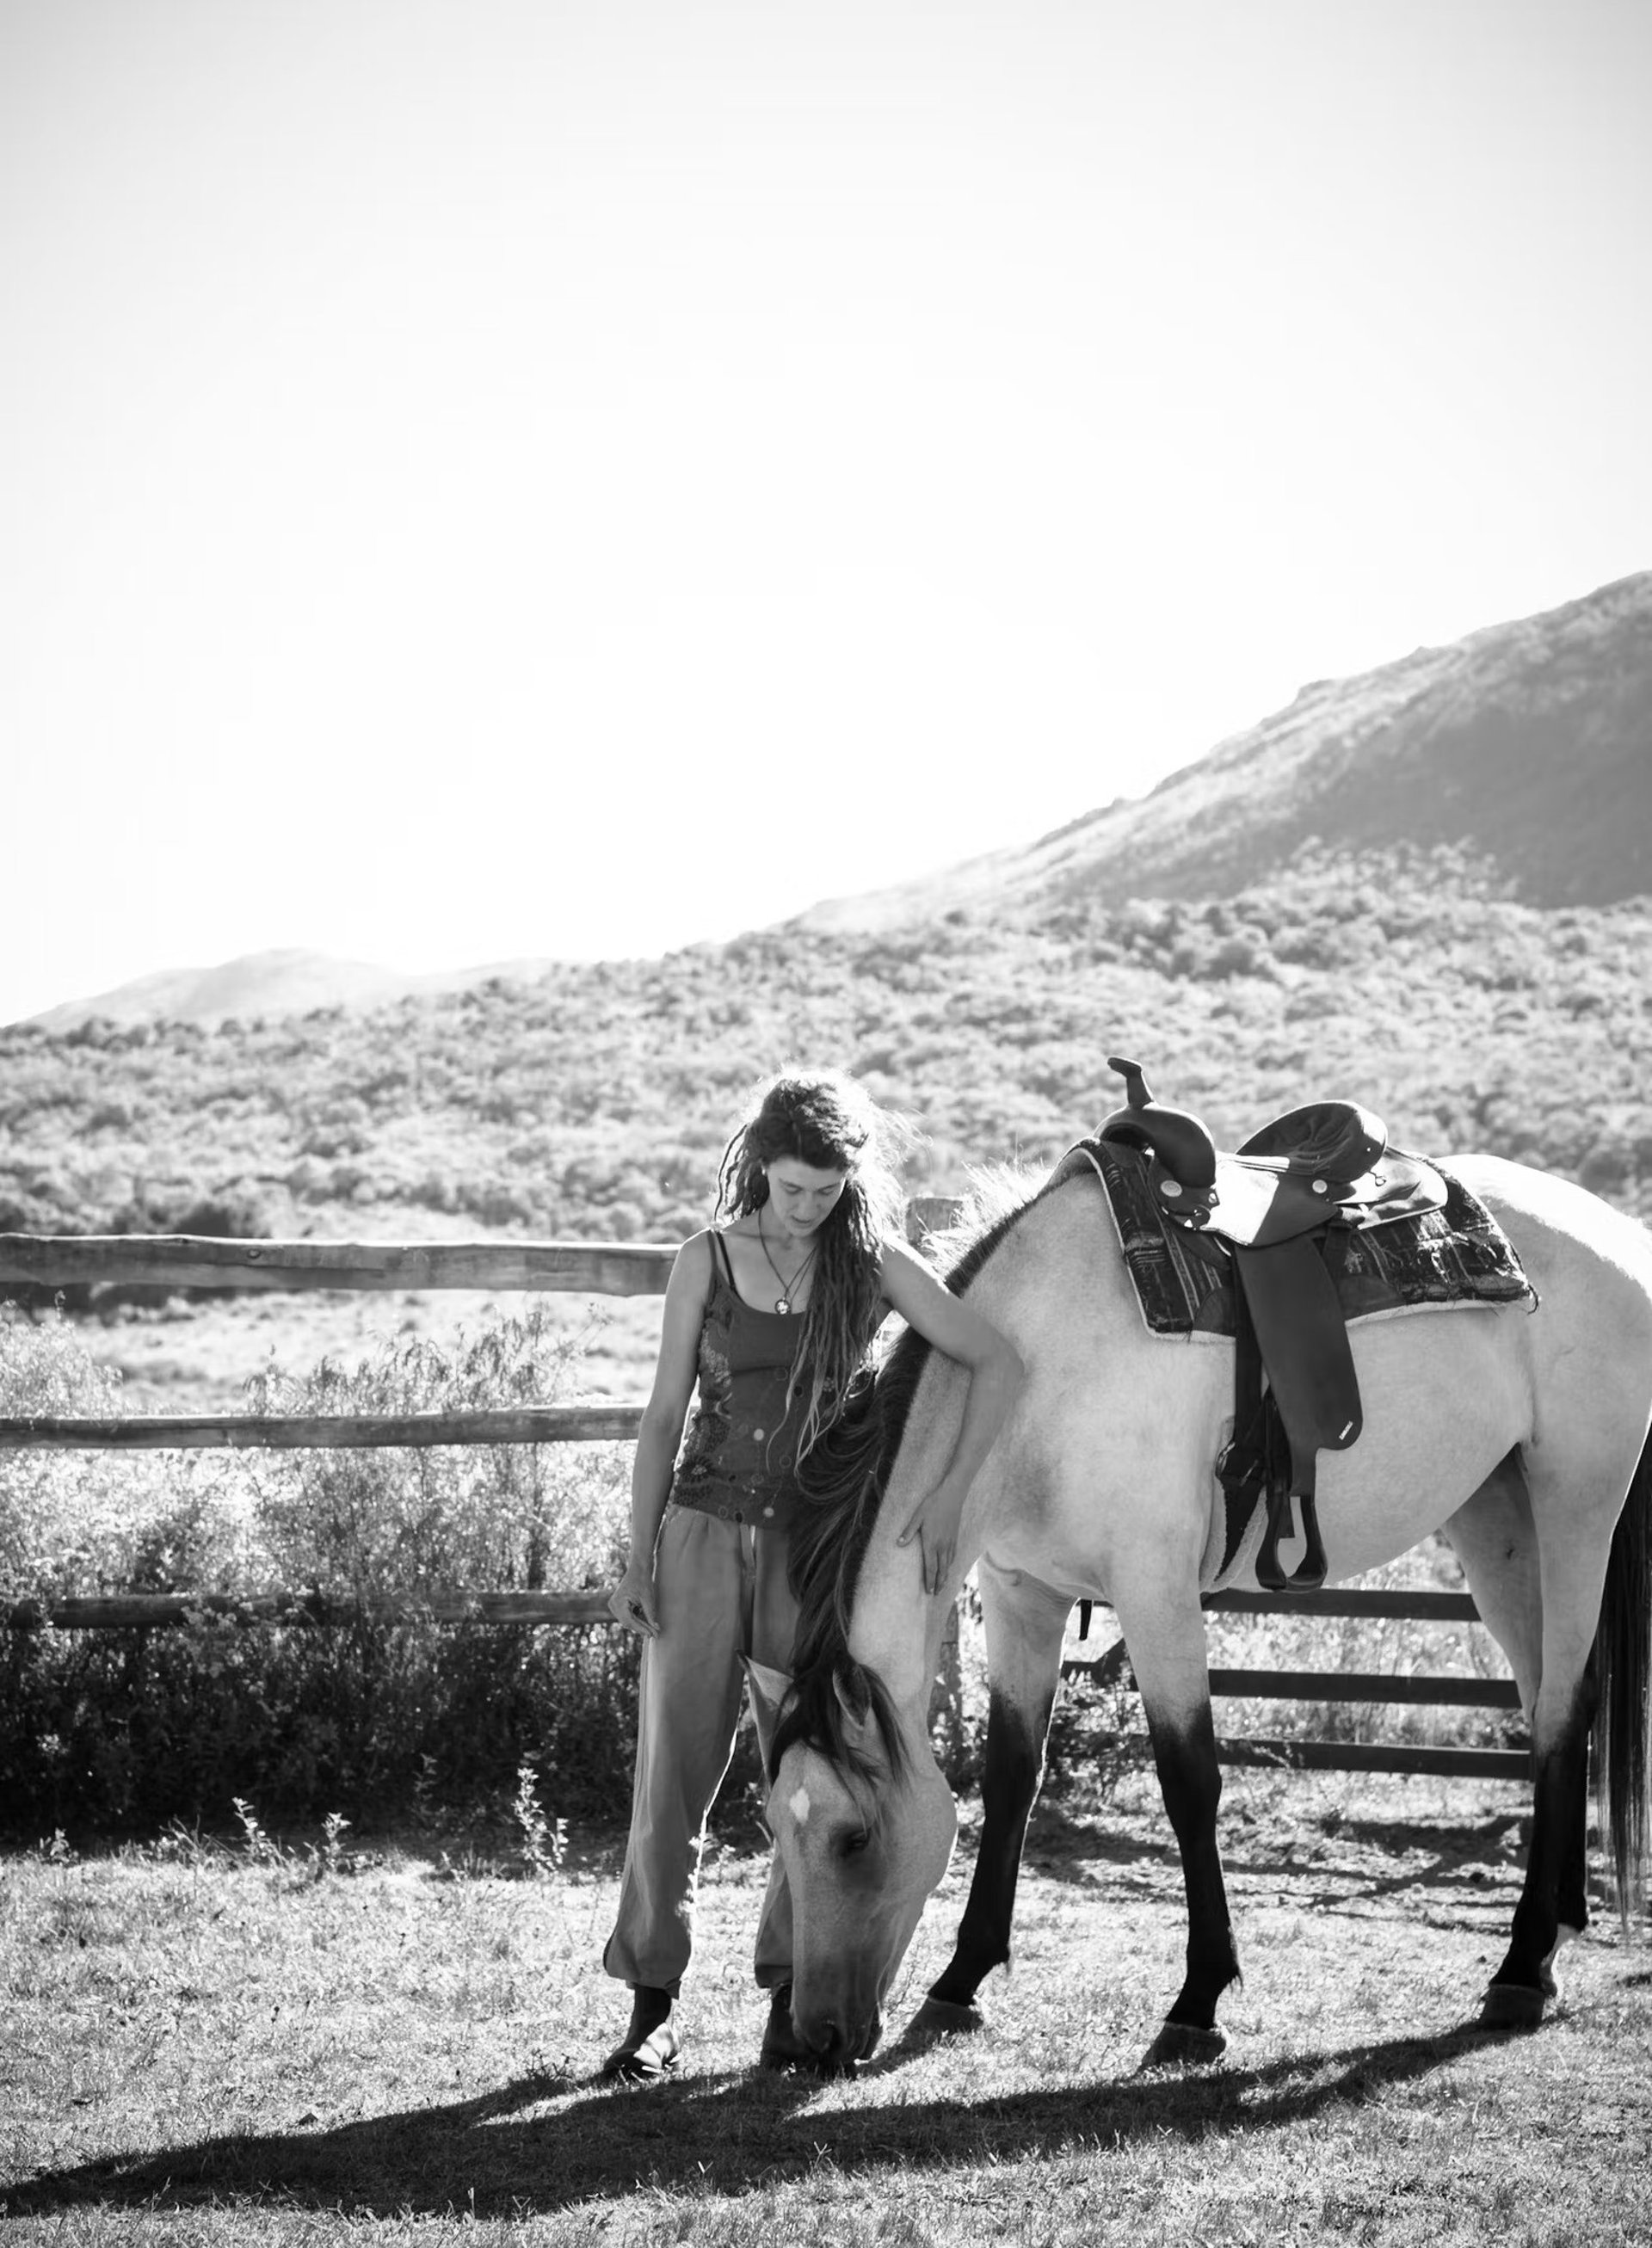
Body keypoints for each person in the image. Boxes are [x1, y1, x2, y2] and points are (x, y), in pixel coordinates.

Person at [600, 1069, 1023, 2081]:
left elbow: (999, 1362)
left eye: (828, 1192)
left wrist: (952, 1496)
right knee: (671, 1779)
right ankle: (651, 2011)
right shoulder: (704, 1258)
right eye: (792, 1188)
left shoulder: (869, 1262)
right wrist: (637, 1555)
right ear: (760, 1166)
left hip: (816, 1555)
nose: (807, 1208)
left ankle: (790, 2000)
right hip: (700, 1538)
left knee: (814, 1775)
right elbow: (661, 1418)